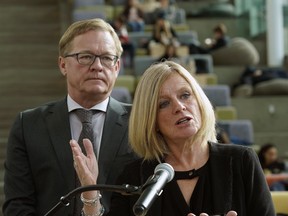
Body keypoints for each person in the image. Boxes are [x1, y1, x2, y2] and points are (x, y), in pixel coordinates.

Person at [71, 61, 275, 216]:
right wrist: (90, 194)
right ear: (151, 120)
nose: (179, 106)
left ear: (199, 100)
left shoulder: (241, 161)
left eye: (185, 95)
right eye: (163, 104)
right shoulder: (135, 177)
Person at [2, 18, 138, 216]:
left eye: (107, 58)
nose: (97, 66)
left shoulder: (140, 121)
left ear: (117, 67)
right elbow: (18, 206)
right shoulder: (28, 125)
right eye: (85, 57)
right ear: (63, 64)